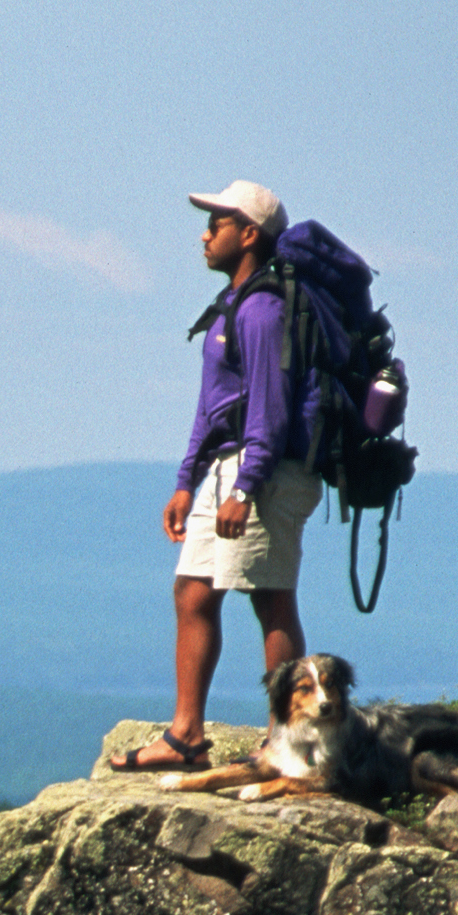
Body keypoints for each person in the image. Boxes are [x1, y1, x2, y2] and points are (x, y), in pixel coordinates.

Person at [109, 180, 321, 773]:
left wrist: (247, 487)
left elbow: (270, 411)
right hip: (231, 468)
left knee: (269, 596)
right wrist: (186, 481)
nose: (204, 236)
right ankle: (186, 737)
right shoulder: (232, 305)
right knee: (194, 591)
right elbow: (213, 406)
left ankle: (285, 739)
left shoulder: (263, 311)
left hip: (266, 471)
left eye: (217, 225)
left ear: (249, 234)